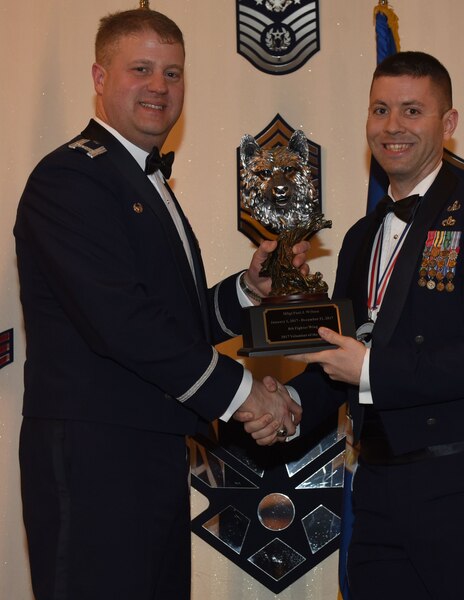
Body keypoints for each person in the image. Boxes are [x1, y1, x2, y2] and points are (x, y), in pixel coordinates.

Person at [14, 8, 303, 600]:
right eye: (140, 69)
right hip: (94, 457)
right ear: (99, 77)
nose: (159, 87)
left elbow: (171, 318)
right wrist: (248, 394)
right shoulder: (69, 178)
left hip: (149, 451)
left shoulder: (141, 181)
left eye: (173, 74)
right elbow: (122, 323)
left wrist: (248, 291)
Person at [243, 51, 464, 599]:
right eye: (380, 110)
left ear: (447, 124)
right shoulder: (359, 236)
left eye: (411, 111)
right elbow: (341, 361)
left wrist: (373, 368)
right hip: (377, 494)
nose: (392, 127)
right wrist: (291, 404)